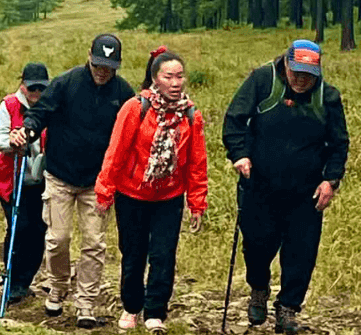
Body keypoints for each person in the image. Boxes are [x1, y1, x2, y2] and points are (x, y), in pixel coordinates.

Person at [222, 39, 348, 335]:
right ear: (286, 65)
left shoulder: (327, 96)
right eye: (296, 73)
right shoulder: (262, 81)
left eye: (308, 74)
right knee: (256, 246)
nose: (302, 80)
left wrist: (330, 180)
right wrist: (240, 154)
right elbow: (235, 120)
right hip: (260, 185)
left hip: (306, 192)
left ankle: (288, 307)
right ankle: (259, 288)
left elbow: (339, 144)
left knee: (302, 252)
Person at [20, 34, 135, 327]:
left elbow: (133, 130)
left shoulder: (123, 92)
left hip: (98, 181)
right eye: (98, 64)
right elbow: (39, 114)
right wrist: (27, 131)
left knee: (94, 243)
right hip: (59, 175)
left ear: (117, 65)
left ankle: (86, 303)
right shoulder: (66, 83)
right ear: (89, 56)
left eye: (108, 66)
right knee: (58, 238)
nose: (102, 71)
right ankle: (58, 285)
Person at [95, 47, 207, 334]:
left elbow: (196, 162)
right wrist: (104, 191)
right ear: (155, 78)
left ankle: (155, 312)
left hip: (169, 197)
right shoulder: (135, 108)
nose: (175, 82)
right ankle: (131, 306)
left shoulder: (191, 115)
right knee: (133, 253)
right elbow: (116, 152)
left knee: (163, 255)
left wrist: (197, 202)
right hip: (131, 194)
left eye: (180, 76)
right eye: (169, 76)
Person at [0, 63, 50, 306]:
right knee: (19, 228)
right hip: (12, 181)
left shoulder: (50, 107)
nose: (36, 92)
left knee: (39, 231)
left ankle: (24, 281)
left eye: (41, 88)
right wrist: (12, 141)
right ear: (22, 84)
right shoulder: (9, 106)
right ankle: (11, 281)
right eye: (32, 87)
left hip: (41, 181)